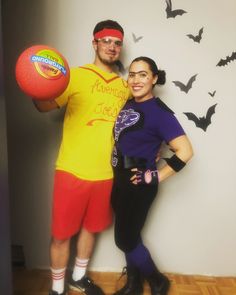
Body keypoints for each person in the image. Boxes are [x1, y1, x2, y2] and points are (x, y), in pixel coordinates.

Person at [33, 20, 130, 295]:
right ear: (95, 42)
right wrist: (34, 81)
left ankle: (78, 277)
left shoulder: (124, 87)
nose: (112, 47)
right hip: (72, 170)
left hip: (106, 174)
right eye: (106, 40)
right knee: (62, 235)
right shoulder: (73, 76)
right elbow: (44, 105)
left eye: (117, 42)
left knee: (91, 229)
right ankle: (56, 289)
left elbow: (134, 124)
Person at [111, 56, 193, 295]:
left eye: (143, 74)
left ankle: (157, 280)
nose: (136, 80)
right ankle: (134, 285)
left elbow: (186, 151)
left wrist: (155, 176)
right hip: (120, 179)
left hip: (138, 185)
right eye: (132, 74)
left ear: (154, 78)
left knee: (124, 240)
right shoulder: (129, 103)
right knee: (131, 234)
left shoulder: (160, 113)